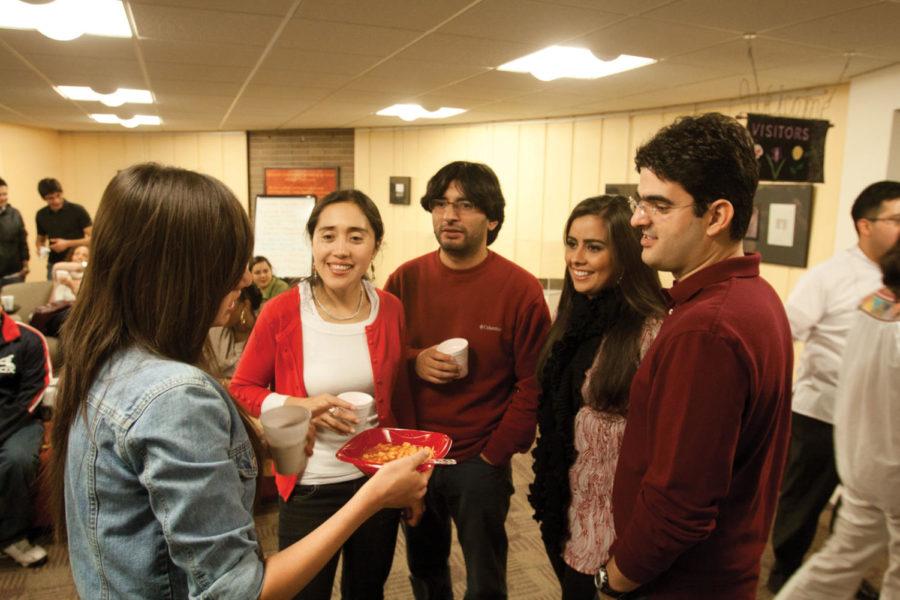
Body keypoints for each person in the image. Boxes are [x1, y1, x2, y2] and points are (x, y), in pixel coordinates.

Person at [48, 164, 430, 600]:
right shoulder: (176, 395)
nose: (247, 278)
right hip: (314, 485)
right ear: (176, 271)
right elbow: (237, 589)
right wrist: (374, 495)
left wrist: (262, 439)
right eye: (231, 263)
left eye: (356, 236)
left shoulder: (108, 362)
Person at [600, 113, 793, 599]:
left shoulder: (707, 330)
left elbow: (680, 506)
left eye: (659, 205)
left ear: (717, 216)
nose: (638, 219)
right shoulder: (754, 296)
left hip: (680, 584)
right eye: (638, 201)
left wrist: (614, 582)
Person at [231, 189, 417, 600]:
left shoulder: (389, 308)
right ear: (312, 242)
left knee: (367, 590)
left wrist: (411, 474)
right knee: (305, 593)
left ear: (375, 245)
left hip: (376, 481)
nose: (340, 250)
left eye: (356, 236)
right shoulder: (281, 311)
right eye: (327, 235)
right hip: (309, 482)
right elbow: (241, 388)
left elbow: (399, 401)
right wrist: (298, 405)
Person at [385, 160, 552, 600]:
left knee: (485, 576)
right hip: (416, 455)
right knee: (424, 568)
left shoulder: (519, 289)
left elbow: (533, 383)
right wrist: (415, 359)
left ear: (492, 218)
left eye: (465, 205)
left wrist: (495, 455)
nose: (449, 216)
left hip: (480, 459)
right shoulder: (405, 278)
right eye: (440, 204)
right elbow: (380, 356)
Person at [529, 195, 666, 600]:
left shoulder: (650, 330)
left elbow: (661, 455)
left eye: (594, 247)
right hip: (567, 515)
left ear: (625, 255)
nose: (577, 258)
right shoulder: (573, 318)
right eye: (572, 244)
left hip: (614, 537)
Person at [767, 180, 900, 594]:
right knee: (803, 504)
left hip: (877, 431)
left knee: (852, 533)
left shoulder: (884, 291)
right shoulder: (834, 277)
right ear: (865, 224)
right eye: (897, 219)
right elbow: (784, 330)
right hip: (822, 412)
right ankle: (783, 572)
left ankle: (839, 581)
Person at [0, 309, 51, 568]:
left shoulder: (28, 339)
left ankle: (13, 537)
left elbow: (35, 391)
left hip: (21, 421)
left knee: (16, 460)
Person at [34, 178, 91, 279]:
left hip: (76, 263)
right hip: (54, 263)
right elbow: (40, 240)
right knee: (55, 293)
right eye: (50, 198)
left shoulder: (77, 210)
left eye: (58, 196)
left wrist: (67, 243)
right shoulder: (41, 215)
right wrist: (40, 248)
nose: (56, 200)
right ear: (44, 198)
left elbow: (93, 238)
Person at [208, 283, 262, 386]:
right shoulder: (215, 330)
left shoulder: (264, 333)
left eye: (231, 302)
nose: (220, 307)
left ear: (246, 305)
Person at [0, 177, 30, 286]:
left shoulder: (15, 214)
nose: (3, 198)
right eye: (0, 195)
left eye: (5, 194)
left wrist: (26, 264)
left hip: (14, 273)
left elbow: (23, 241)